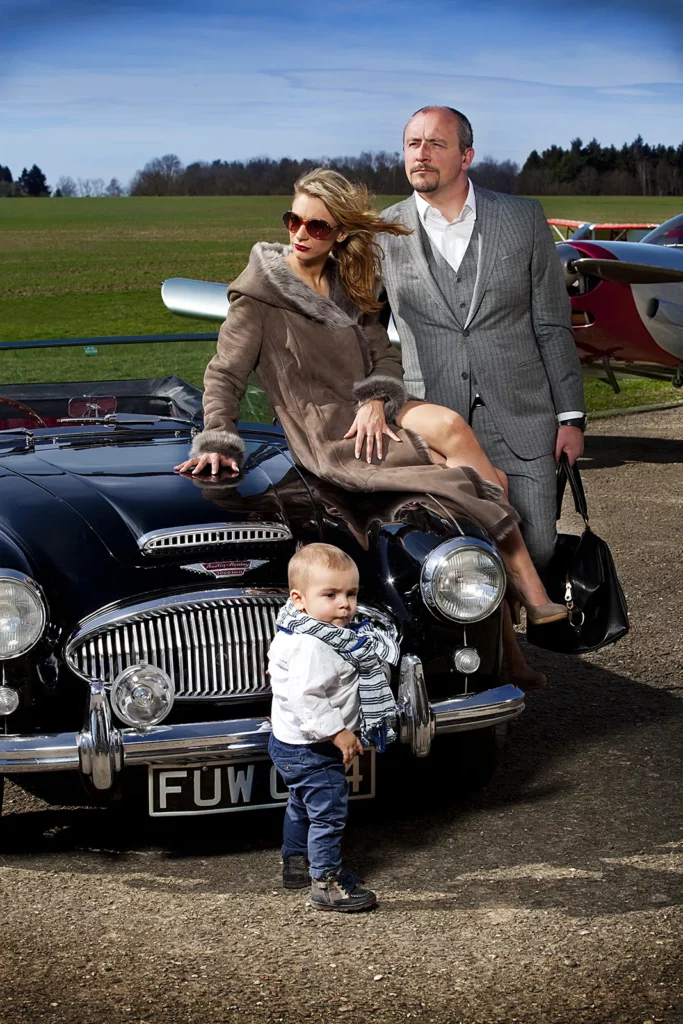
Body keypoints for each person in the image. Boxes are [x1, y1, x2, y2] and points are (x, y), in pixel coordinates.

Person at [174, 167, 568, 630]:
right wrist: (218, 438)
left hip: (373, 411)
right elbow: (224, 373)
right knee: (489, 480)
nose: (301, 234)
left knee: (455, 431)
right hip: (329, 432)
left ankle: (513, 598)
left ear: (339, 233)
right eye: (293, 220)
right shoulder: (259, 298)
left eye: (317, 226)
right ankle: (515, 600)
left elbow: (385, 358)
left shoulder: (350, 285)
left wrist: (376, 399)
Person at [380, 106, 587, 686]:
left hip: (523, 415)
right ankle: (491, 670)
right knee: (459, 549)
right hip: (435, 424)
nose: (420, 153)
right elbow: (362, 329)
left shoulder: (522, 218)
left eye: (435, 143)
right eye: (411, 143)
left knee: (538, 545)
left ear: (466, 155)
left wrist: (572, 415)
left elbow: (551, 322)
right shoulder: (384, 230)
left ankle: (507, 649)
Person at [267, 542, 398, 911]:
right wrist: (340, 733)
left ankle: (294, 864)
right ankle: (325, 883)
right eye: (331, 594)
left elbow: (279, 673)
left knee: (301, 804)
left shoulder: (293, 627)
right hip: (313, 746)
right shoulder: (316, 646)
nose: (345, 604)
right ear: (299, 598)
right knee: (328, 814)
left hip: (288, 741)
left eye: (351, 593)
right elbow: (309, 697)